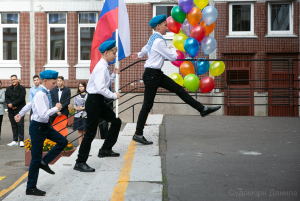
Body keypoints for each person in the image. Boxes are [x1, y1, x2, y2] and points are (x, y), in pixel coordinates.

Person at [131, 15, 221, 145]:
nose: (167, 27)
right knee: (147, 105)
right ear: (158, 27)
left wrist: (139, 54)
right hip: (152, 75)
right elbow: (172, 57)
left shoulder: (154, 38)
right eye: (164, 25)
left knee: (178, 89)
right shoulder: (159, 41)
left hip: (155, 74)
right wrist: (172, 50)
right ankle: (138, 134)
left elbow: (146, 48)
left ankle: (202, 109)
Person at [15, 70, 67, 196]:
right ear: (45, 81)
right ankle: (31, 187)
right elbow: (44, 113)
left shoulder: (45, 92)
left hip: (44, 126)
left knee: (62, 141)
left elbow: (30, 104)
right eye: (53, 82)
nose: (55, 85)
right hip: (37, 127)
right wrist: (57, 108)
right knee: (35, 158)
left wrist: (20, 114)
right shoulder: (40, 94)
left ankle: (45, 162)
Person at [74, 40, 122, 173]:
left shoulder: (104, 66)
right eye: (114, 53)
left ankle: (105, 149)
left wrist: (113, 75)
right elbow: (101, 88)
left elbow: (103, 84)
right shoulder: (101, 67)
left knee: (116, 121)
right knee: (90, 132)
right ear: (106, 53)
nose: (115, 56)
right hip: (94, 101)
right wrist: (114, 95)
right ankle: (80, 162)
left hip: (98, 101)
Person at [5, 75, 26, 147]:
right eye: (11, 80)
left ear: (17, 80)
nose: (13, 81)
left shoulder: (22, 88)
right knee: (13, 125)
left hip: (19, 110)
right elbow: (6, 98)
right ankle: (15, 140)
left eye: (14, 79)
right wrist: (9, 104)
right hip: (11, 110)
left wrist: (13, 104)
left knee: (20, 125)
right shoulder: (8, 89)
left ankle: (21, 140)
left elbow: (21, 98)